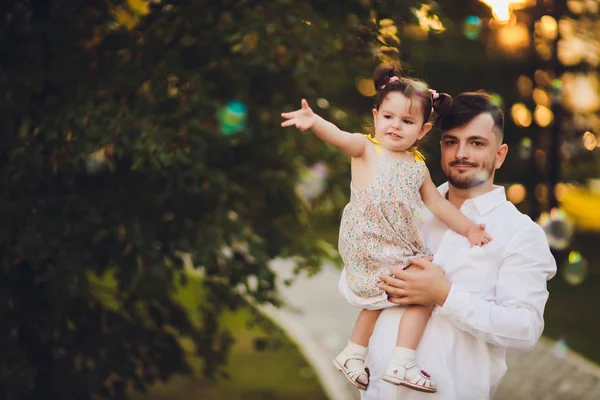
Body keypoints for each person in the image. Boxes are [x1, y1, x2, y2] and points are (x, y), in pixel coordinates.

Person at [281, 65, 492, 393]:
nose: (396, 126)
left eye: (407, 122)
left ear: (422, 131)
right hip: (368, 241)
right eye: (389, 117)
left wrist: (469, 230)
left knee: (384, 297)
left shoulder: (418, 167)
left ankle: (353, 353)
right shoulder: (366, 149)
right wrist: (315, 122)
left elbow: (438, 204)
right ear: (376, 116)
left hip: (391, 245)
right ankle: (403, 362)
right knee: (421, 292)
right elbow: (339, 137)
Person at [351, 91, 557, 400]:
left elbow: (525, 329)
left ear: (500, 155)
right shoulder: (408, 210)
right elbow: (361, 283)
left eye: (476, 143)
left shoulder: (519, 233)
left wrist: (444, 295)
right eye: (451, 141)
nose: (462, 153)